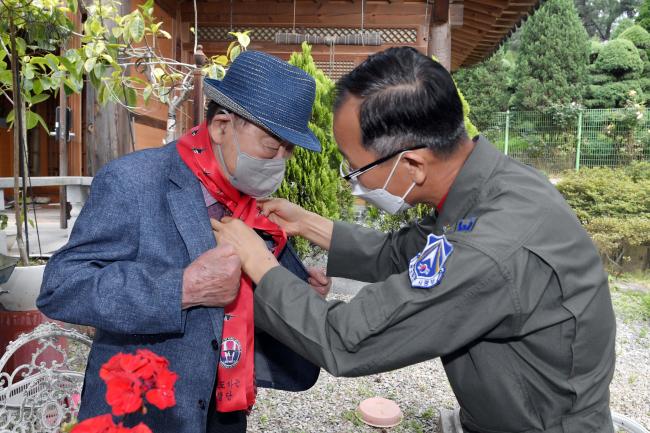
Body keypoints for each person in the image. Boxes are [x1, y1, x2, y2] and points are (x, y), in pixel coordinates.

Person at [212, 47, 617, 433]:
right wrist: (309, 224)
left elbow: (347, 339)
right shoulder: (485, 187)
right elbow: (404, 252)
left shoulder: (490, 250)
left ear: (412, 164)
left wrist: (259, 265)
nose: (353, 182)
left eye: (353, 168)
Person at [37, 50, 328, 433]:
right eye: (272, 147)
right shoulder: (134, 181)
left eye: (288, 151)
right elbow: (61, 286)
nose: (279, 161)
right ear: (222, 126)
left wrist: (289, 286)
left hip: (224, 408)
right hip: (141, 409)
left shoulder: (250, 201)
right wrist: (181, 288)